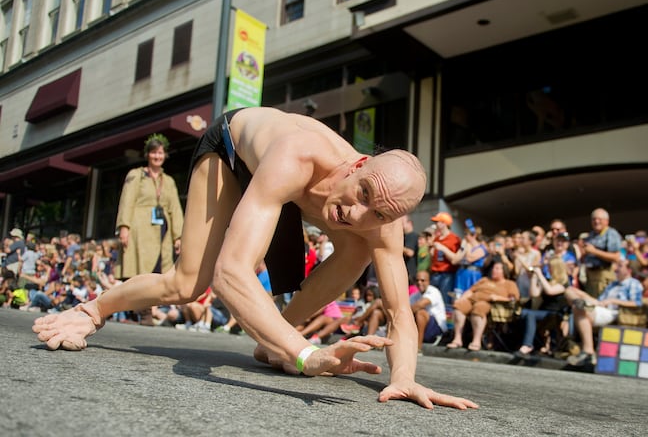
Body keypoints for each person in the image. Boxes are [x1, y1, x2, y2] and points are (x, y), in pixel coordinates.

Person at [32, 107, 475, 410]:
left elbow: (399, 312)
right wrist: (306, 356)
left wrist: (403, 376)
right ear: (358, 165)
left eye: (378, 212)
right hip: (232, 151)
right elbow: (230, 276)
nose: (356, 214)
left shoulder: (382, 217)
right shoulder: (298, 156)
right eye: (362, 196)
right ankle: (91, 309)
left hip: (291, 188)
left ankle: (275, 339)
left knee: (360, 247)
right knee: (188, 284)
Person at [116, 133, 184, 280]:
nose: (157, 156)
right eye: (154, 152)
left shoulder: (168, 181)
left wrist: (178, 236)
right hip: (140, 230)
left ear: (165, 155)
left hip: (163, 231)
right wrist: (124, 227)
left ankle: (154, 303)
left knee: (161, 274)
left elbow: (175, 209)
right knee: (140, 273)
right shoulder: (136, 175)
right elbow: (127, 201)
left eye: (160, 153)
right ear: (147, 154)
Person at [564, 258, 644, 366]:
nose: (616, 268)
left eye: (620, 266)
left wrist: (613, 300)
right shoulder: (613, 284)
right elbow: (601, 300)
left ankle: (588, 351)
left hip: (613, 312)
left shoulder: (633, 283)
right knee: (570, 290)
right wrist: (595, 301)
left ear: (629, 270)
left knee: (579, 309)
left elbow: (637, 303)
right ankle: (580, 303)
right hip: (600, 305)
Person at [446, 261, 519, 351]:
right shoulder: (484, 280)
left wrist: (498, 297)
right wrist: (462, 298)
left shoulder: (509, 284)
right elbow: (471, 291)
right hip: (472, 299)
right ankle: (457, 339)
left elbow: (513, 299)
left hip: (489, 303)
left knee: (479, 308)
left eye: (497, 269)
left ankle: (476, 341)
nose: (493, 270)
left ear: (504, 271)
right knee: (458, 306)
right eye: (493, 268)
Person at [580, 208, 622, 298]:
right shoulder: (591, 235)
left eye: (599, 219)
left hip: (603, 275)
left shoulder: (611, 233)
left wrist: (594, 251)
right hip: (591, 276)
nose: (596, 221)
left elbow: (616, 257)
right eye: (594, 219)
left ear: (606, 221)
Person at [428, 212, 462, 306]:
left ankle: (446, 320)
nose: (436, 224)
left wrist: (442, 248)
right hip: (435, 273)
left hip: (447, 274)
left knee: (445, 301)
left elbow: (456, 259)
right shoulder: (437, 238)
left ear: (444, 223)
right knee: (432, 301)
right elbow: (433, 256)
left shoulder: (454, 239)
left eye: (438, 222)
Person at [410, 270, 447, 354]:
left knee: (420, 313)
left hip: (436, 328)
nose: (419, 283)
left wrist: (400, 314)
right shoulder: (414, 295)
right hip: (421, 326)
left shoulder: (434, 291)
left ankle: (418, 348)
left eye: (423, 280)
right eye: (417, 280)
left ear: (429, 281)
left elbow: (419, 305)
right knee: (377, 313)